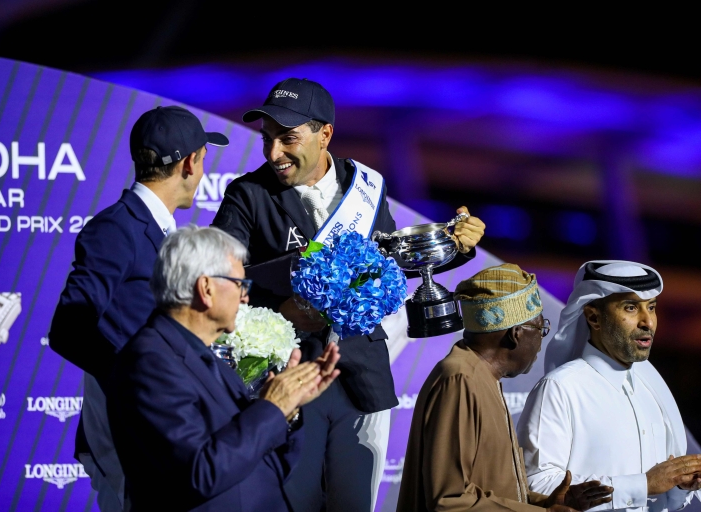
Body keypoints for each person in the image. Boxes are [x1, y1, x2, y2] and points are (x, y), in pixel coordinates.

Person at [212, 77, 486, 512]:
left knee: (355, 503)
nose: (273, 154)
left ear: (326, 134)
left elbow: (391, 262)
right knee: (292, 502)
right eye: (268, 140)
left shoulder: (365, 189)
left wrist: (456, 247)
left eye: (287, 139)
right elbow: (220, 283)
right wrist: (280, 310)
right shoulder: (247, 195)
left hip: (361, 375)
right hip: (288, 377)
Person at [49, 106, 228, 511]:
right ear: (190, 162)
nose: (201, 173)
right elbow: (68, 327)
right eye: (203, 160)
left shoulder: (165, 231)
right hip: (127, 424)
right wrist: (134, 378)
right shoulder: (117, 227)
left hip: (163, 423)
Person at [108, 226, 341, 511]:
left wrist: (288, 411)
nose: (245, 297)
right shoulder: (148, 363)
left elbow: (261, 461)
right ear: (206, 288)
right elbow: (198, 474)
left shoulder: (206, 355)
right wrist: (272, 408)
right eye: (239, 284)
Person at [396, 264, 614, 512]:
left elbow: (491, 491)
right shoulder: (460, 379)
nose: (541, 343)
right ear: (516, 333)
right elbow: (450, 500)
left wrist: (548, 503)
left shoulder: (482, 377)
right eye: (540, 329)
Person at [517, 260, 701, 512]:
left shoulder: (652, 388)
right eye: (631, 307)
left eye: (652, 307)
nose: (648, 322)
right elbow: (535, 485)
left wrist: (680, 484)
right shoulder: (561, 387)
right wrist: (642, 485)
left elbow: (662, 497)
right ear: (594, 317)